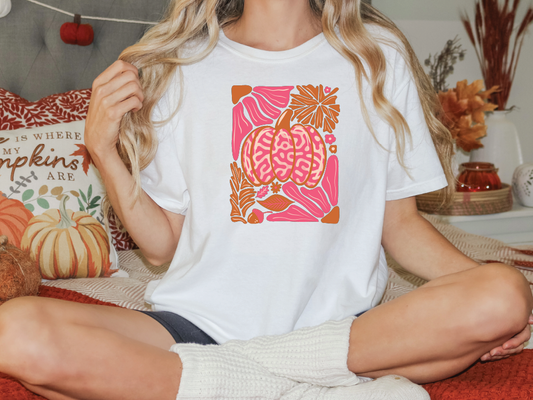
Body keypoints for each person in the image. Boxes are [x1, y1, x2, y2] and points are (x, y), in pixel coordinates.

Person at [1, 0, 532, 399]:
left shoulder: (376, 57)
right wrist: (103, 149)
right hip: (196, 325)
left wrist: (486, 291)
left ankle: (235, 377)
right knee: (14, 330)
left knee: (505, 294)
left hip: (345, 331)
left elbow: (400, 225)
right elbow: (164, 247)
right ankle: (296, 382)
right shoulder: (183, 64)